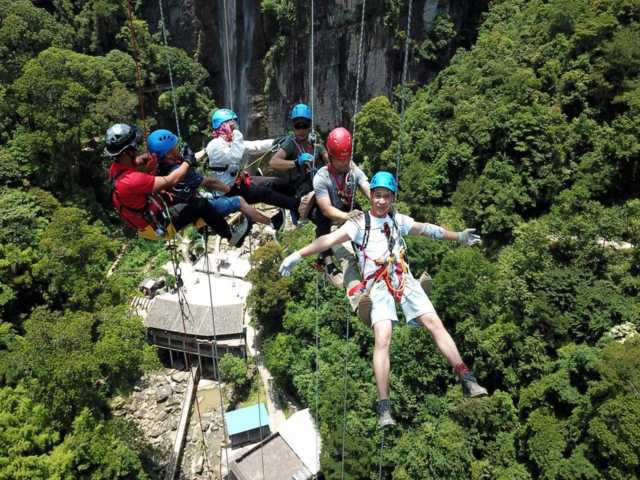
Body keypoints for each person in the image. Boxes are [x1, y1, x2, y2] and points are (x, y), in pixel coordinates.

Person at [278, 171, 488, 428]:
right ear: (371, 197)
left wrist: (459, 236)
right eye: (377, 196)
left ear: (391, 198)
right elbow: (328, 239)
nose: (380, 201)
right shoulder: (358, 224)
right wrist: (297, 255)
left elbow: (427, 230)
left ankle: (466, 377)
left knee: (435, 323)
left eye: (385, 197)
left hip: (403, 277)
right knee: (383, 336)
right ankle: (384, 406)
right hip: (377, 286)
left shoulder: (397, 220)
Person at [151, 129, 284, 246]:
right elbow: (210, 183)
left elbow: (190, 161)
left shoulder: (159, 168)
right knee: (239, 201)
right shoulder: (180, 172)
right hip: (193, 209)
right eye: (175, 147)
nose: (178, 148)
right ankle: (267, 224)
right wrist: (229, 189)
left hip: (180, 207)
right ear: (168, 154)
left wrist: (203, 151)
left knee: (210, 199)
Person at [105, 123, 229, 241]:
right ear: (128, 152)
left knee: (184, 197)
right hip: (159, 224)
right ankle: (229, 235)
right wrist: (188, 161)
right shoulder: (133, 180)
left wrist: (143, 160)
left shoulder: (116, 169)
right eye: (135, 147)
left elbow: (133, 167)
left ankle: (201, 227)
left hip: (145, 221)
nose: (137, 149)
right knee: (200, 204)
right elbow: (172, 180)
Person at [205, 108, 300, 219]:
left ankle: (295, 201)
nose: (235, 127)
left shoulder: (231, 142)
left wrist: (276, 142)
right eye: (232, 126)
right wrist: (236, 134)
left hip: (239, 183)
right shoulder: (214, 145)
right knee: (264, 193)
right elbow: (235, 155)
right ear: (223, 126)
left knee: (276, 182)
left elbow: (255, 146)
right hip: (227, 192)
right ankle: (298, 206)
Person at [311, 127, 370, 288]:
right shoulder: (321, 177)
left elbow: (365, 185)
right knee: (347, 257)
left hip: (349, 211)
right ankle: (329, 265)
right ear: (330, 157)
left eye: (347, 158)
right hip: (331, 221)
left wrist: (379, 200)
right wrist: (346, 217)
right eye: (340, 160)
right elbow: (326, 209)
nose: (344, 163)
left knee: (368, 239)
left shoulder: (352, 168)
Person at [269, 103, 329, 223]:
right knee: (321, 217)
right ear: (293, 126)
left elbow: (328, 160)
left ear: (309, 125)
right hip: (300, 192)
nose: (301, 130)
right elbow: (273, 162)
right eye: (298, 126)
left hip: (318, 186)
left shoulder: (315, 143)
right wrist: (296, 163)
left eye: (304, 126)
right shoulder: (290, 144)